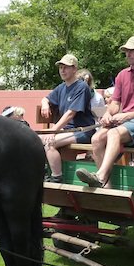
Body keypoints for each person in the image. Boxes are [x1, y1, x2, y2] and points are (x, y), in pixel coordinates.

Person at [76, 36, 134, 188]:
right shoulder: (122, 75)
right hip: (125, 122)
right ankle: (107, 188)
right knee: (97, 138)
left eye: (132, 51)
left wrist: (129, 115)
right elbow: (115, 103)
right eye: (126, 51)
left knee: (113, 133)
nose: (128, 54)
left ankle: (100, 176)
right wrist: (107, 115)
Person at [39, 53, 96, 183]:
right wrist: (44, 104)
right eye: (60, 67)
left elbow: (71, 113)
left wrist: (53, 130)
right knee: (35, 139)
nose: (62, 70)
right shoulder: (62, 87)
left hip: (82, 131)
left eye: (66, 67)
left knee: (49, 143)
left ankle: (56, 176)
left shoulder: (81, 87)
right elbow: (46, 98)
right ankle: (43, 172)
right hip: (66, 131)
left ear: (75, 69)